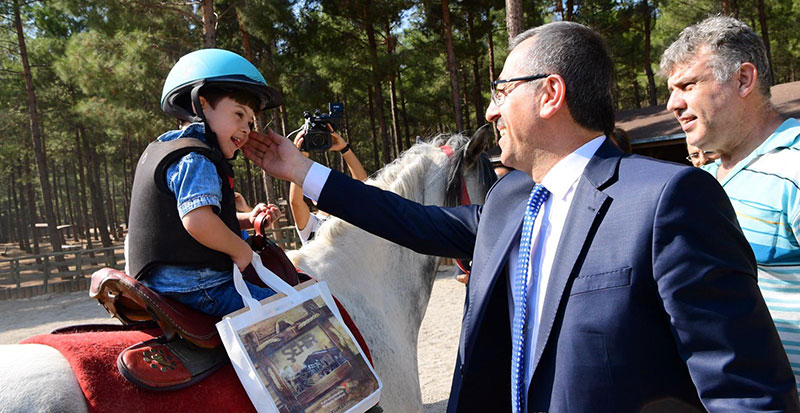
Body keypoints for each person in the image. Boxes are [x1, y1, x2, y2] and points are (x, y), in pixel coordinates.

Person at [245, 21, 798, 412]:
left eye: (502, 92)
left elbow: (742, 388)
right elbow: (407, 221)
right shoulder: (510, 204)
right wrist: (301, 170)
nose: (489, 111)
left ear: (551, 93)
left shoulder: (670, 200)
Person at [662, 16, 800, 394]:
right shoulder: (705, 181)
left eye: (688, 85)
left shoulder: (795, 167)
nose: (673, 103)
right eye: (672, 90)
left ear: (744, 79)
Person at [126, 48, 282, 319]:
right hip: (198, 284)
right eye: (238, 114)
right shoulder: (197, 158)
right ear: (202, 103)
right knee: (287, 313)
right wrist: (241, 250)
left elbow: (193, 219)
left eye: (250, 121)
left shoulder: (168, 147)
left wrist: (246, 219)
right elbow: (197, 222)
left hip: (163, 280)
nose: (247, 128)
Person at [290, 130, 367, 245]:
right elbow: (295, 202)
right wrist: (300, 158)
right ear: (313, 199)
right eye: (320, 188)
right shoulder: (312, 224)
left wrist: (345, 149)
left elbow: (364, 189)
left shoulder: (349, 217)